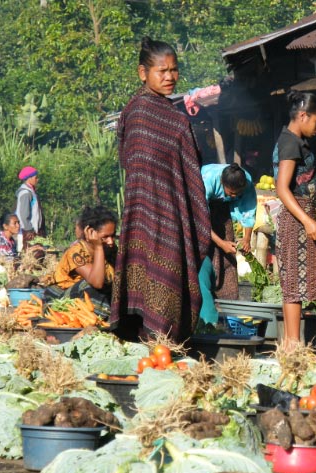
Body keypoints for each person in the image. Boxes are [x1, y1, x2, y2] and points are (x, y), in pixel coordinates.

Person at [111, 37, 211, 342]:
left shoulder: (176, 119)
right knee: (144, 297)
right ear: (143, 73)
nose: (170, 77)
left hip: (171, 216)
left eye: (174, 70)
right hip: (143, 216)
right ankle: (150, 348)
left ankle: (162, 350)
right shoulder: (136, 113)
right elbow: (133, 165)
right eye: (162, 71)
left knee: (167, 292)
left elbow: (189, 172)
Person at [273, 90, 316, 347]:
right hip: (296, 219)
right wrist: (307, 220)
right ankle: (293, 346)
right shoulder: (290, 142)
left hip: (299, 215)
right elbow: (282, 188)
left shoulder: (294, 140)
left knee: (297, 283)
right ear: (302, 116)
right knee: (293, 283)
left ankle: (293, 345)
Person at [199, 163, 257, 324]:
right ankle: (207, 311)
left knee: (227, 261)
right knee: (205, 259)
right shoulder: (207, 180)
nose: (234, 196)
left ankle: (228, 310)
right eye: (231, 193)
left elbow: (249, 209)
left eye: (237, 194)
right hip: (200, 214)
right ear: (222, 183)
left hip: (223, 213)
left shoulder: (247, 182)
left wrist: (246, 239)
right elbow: (200, 220)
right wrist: (220, 243)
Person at [44, 205, 117, 318]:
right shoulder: (75, 252)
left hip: (90, 299)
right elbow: (96, 282)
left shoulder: (111, 249)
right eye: (105, 237)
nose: (110, 241)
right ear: (90, 232)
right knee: (88, 285)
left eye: (113, 236)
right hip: (62, 299)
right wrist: (98, 247)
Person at [15, 166, 45, 251]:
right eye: (36, 177)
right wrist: (30, 231)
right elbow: (23, 215)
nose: (37, 179)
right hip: (27, 232)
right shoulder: (26, 193)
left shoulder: (32, 192)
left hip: (32, 231)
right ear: (29, 178)